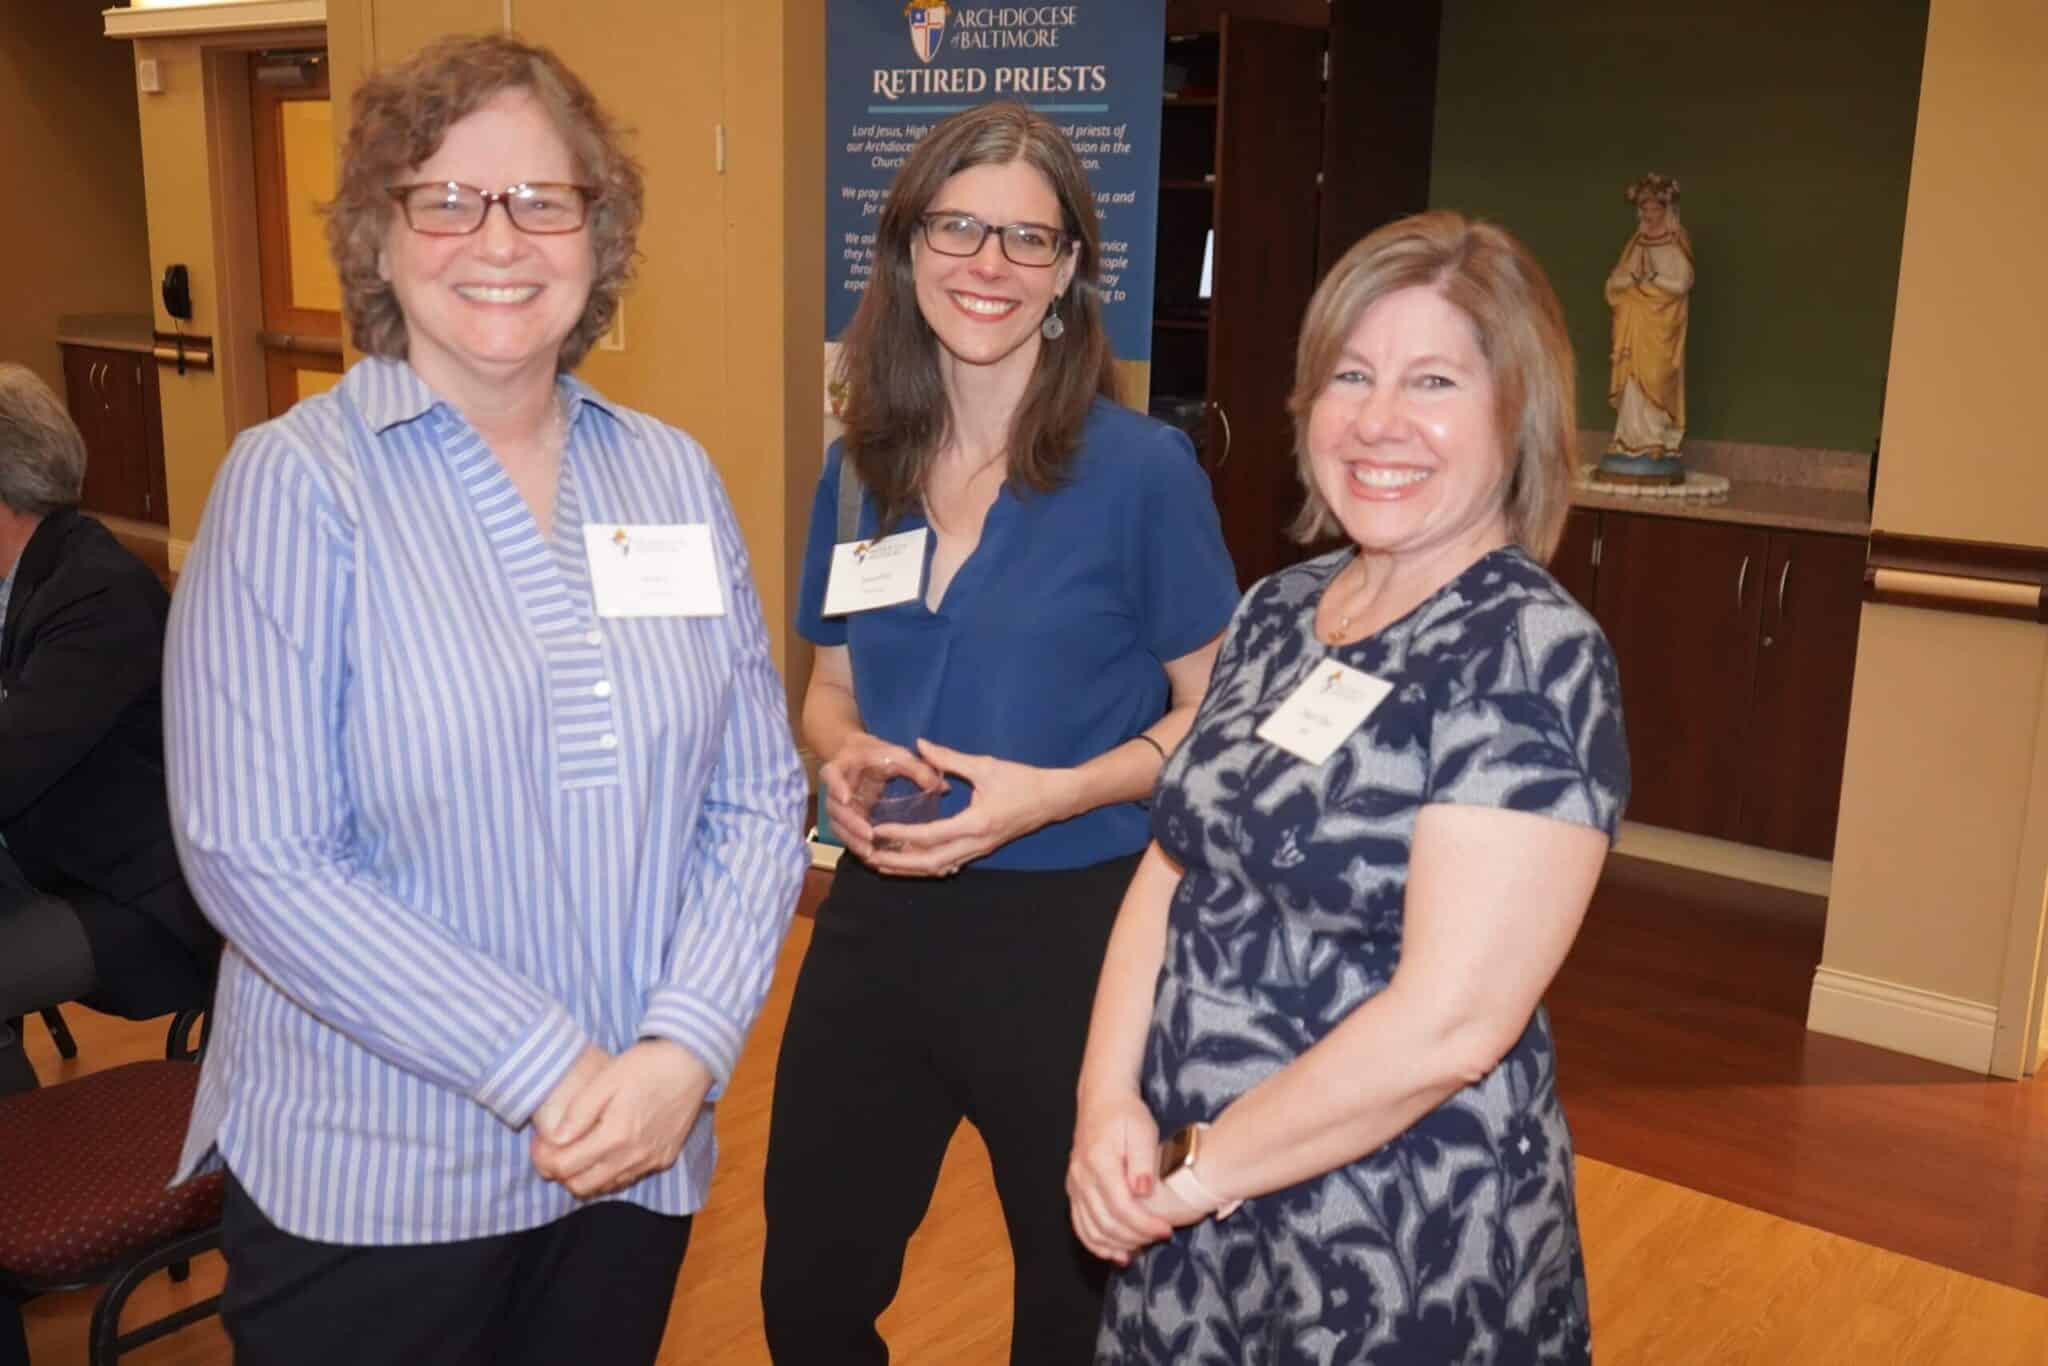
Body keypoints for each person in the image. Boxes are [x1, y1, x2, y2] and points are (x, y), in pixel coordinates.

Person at [161, 35, 806, 1365]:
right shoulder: (295, 485)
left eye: (542, 200)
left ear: (597, 233)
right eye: (446, 198)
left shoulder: (670, 477)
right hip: (379, 1179)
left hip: (633, 1155)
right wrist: (550, 1067)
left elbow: (756, 796)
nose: (498, 238)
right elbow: (256, 854)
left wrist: (683, 1049)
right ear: (379, 235)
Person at [1068, 211, 1630, 1363]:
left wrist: (1194, 1172)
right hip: (1187, 1201)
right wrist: (1105, 1105)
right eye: (1350, 375)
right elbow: (1172, 865)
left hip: (1395, 1234)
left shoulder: (1527, 654)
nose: (1378, 420)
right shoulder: (1279, 609)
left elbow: (1448, 1026)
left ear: (1515, 413)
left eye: (1432, 381)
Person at [761, 101, 1240, 1364]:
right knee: (808, 1286)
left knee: (1073, 1307)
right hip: (878, 914)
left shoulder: (1140, 474)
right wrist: (841, 755)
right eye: (957, 228)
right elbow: (827, 691)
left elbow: (1215, 716)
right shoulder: (859, 470)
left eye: (1028, 238)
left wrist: (1056, 791)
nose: (989, 263)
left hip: (1072, 934)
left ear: (1069, 269)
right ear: (907, 247)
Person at [0, 362, 218, 1366]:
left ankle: (22, 1225)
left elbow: (10, 767)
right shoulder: (26, 578)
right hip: (53, 861)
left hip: (139, 902)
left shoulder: (96, 594)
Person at [1601, 173, 1694, 473]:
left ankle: (1656, 439)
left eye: (1655, 209)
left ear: (1666, 211)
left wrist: (1652, 280)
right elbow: (1614, 282)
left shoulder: (1675, 244)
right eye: (1645, 209)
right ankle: (1628, 439)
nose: (1649, 215)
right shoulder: (1637, 245)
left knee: (1656, 376)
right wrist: (1630, 281)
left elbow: (1683, 282)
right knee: (1632, 381)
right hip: (1634, 326)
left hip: (1660, 327)